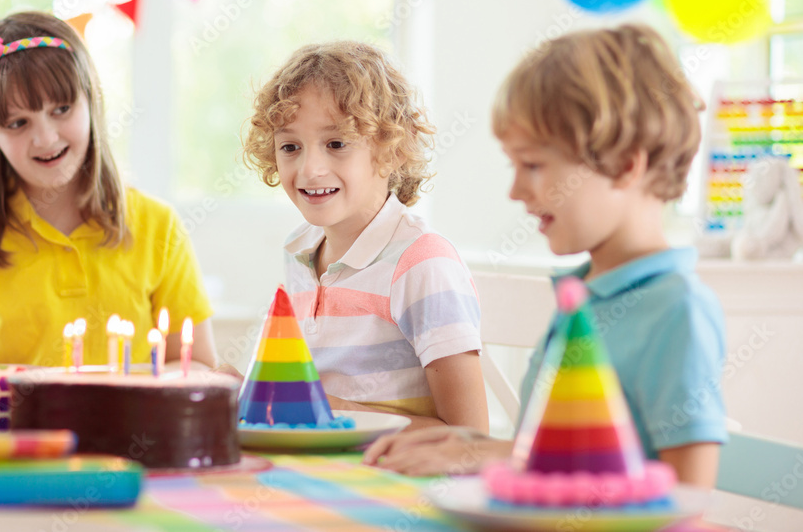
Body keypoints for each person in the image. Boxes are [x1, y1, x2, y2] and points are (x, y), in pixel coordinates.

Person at [364, 24, 728, 488]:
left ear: (624, 165)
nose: (515, 191)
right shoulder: (585, 295)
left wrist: (503, 455)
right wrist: (476, 448)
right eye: (514, 165)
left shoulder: (676, 310)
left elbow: (684, 494)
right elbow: (557, 457)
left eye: (533, 165)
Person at [0, 11, 218, 369]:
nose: (46, 138)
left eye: (62, 109)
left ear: (91, 102)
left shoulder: (159, 226)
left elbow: (197, 370)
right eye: (18, 123)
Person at [241, 40, 489, 432]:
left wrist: (334, 409)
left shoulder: (422, 262)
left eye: (336, 144)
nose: (310, 169)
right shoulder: (298, 252)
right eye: (290, 146)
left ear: (393, 151)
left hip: (391, 471)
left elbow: (469, 435)